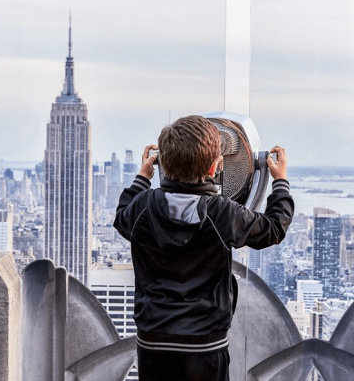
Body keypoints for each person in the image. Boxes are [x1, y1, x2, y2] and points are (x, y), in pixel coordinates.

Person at [114, 115, 294, 381]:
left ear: (162, 164)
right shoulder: (222, 214)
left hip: (153, 343)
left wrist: (142, 177)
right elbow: (273, 229)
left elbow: (121, 217)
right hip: (205, 346)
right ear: (214, 169)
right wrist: (279, 182)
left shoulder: (143, 207)